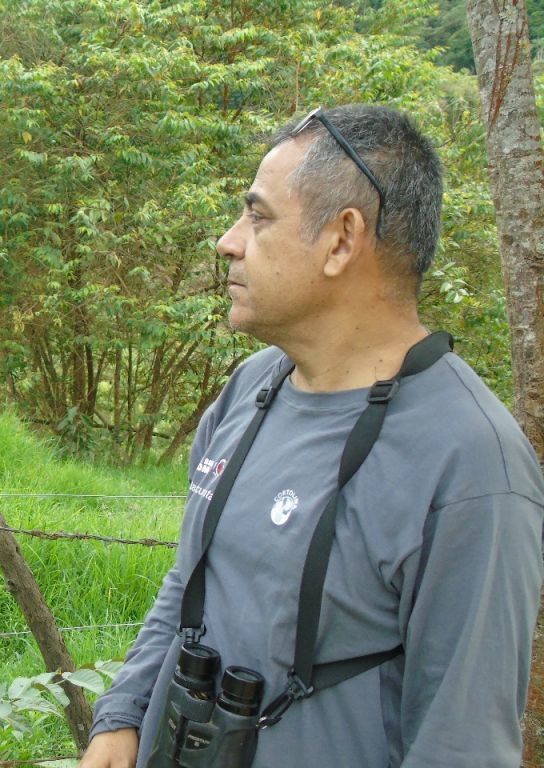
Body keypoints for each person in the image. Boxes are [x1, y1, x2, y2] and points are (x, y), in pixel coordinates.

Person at [80, 104, 544, 768]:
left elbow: (461, 741)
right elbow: (192, 578)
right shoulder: (252, 388)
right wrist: (123, 716)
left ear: (342, 241)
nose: (229, 241)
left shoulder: (472, 468)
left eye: (259, 216)